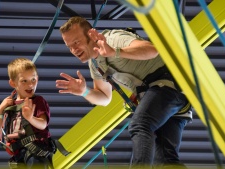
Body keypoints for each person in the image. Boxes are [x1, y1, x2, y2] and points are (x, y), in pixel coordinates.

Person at [55, 16, 192, 168]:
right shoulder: (95, 64)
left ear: (90, 35)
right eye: (69, 47)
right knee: (166, 161)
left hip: (168, 86)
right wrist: (84, 91)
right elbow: (105, 97)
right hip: (167, 103)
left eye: (76, 42)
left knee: (140, 125)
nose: (74, 50)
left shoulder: (113, 39)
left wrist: (115, 52)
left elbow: (152, 50)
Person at [0, 58, 55, 169]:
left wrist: (31, 118)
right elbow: (0, 131)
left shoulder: (38, 101)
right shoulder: (10, 106)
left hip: (35, 152)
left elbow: (43, 124)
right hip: (18, 156)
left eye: (33, 79)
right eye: (24, 81)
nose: (30, 85)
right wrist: (0, 111)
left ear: (37, 79)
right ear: (13, 83)